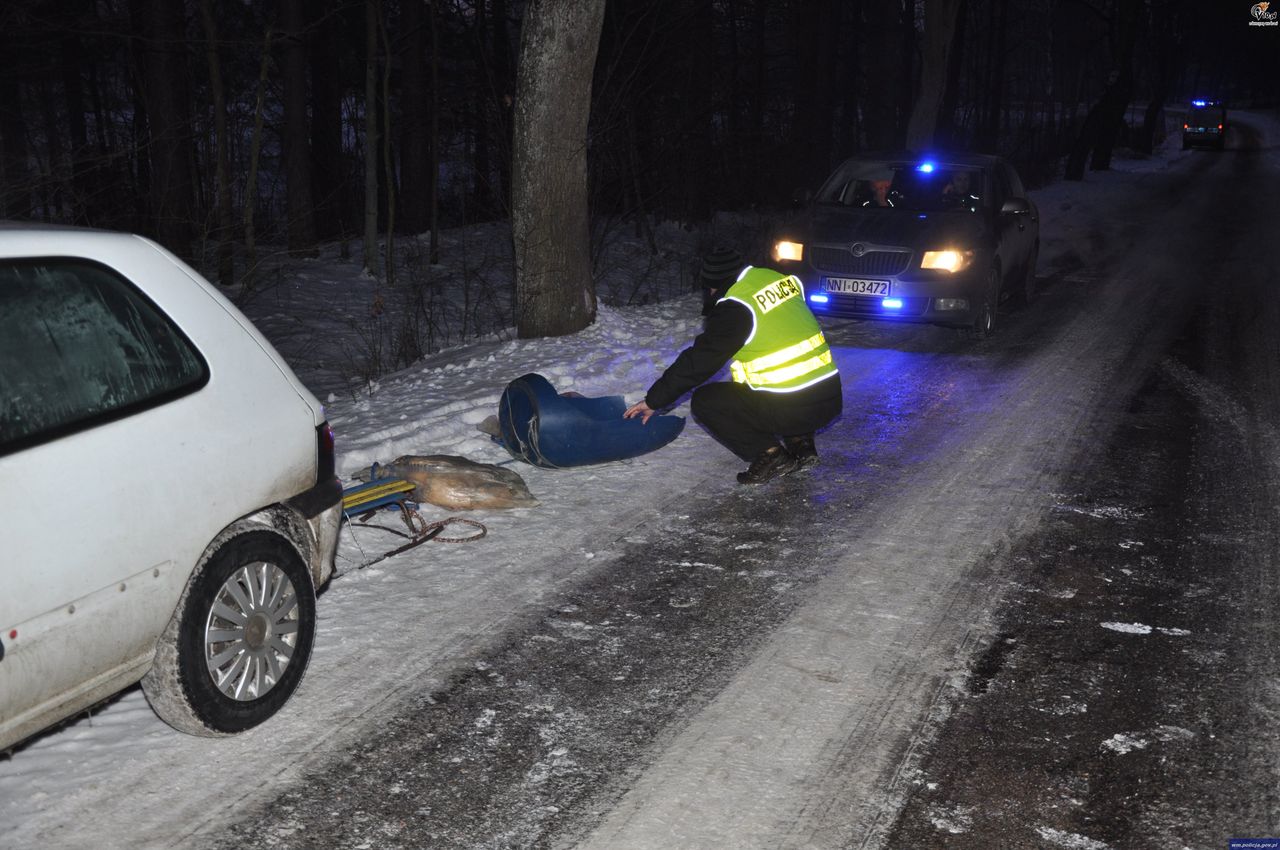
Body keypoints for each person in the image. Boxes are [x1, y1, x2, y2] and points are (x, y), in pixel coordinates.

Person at [624, 249, 843, 485]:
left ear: (713, 286)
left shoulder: (737, 307)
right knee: (781, 382)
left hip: (792, 408)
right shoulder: (776, 278)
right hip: (829, 398)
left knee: (706, 401)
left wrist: (653, 401)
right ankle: (801, 443)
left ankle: (772, 455)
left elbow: (698, 362)